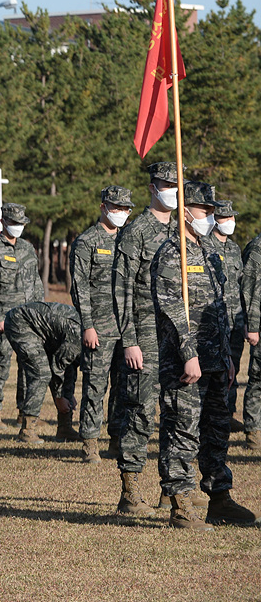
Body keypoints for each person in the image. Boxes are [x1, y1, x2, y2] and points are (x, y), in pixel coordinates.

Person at [152, 181, 256, 529]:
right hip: (187, 362)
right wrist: (188, 354)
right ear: (185, 212)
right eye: (204, 211)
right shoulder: (171, 254)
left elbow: (222, 310)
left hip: (215, 359)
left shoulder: (212, 255)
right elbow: (171, 310)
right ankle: (181, 504)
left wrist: (227, 356)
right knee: (182, 429)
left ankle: (220, 498)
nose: (211, 217)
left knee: (216, 430)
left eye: (213, 211)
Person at [111, 162, 179, 518]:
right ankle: (131, 488)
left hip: (176, 336)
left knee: (176, 412)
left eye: (176, 184)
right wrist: (129, 339)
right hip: (145, 334)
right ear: (153, 187)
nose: (172, 190)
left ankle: (173, 489)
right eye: (167, 184)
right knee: (140, 410)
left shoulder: (183, 231)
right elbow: (121, 289)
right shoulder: (136, 230)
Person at [70, 186, 132, 463]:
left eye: (126, 209)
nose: (121, 213)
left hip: (126, 328)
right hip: (98, 327)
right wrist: (87, 325)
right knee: (95, 386)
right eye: (116, 207)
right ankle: (90, 443)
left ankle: (116, 439)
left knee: (122, 387)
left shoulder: (128, 241)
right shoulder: (86, 242)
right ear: (103, 207)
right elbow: (79, 287)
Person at [0, 203, 44, 432]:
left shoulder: (28, 249)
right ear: (3, 222)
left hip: (28, 318)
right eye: (14, 223)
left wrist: (41, 312)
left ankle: (24, 413)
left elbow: (36, 282)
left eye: (21, 223)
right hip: (5, 318)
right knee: (1, 364)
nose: (18, 227)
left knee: (28, 366)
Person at [4, 302, 83, 445]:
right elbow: (58, 366)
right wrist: (60, 397)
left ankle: (64, 428)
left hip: (45, 330)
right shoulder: (78, 337)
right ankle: (27, 430)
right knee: (41, 373)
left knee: (70, 368)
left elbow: (67, 367)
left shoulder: (84, 341)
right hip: (20, 322)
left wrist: (68, 395)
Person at [211, 200, 245, 431]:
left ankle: (229, 413)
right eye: (225, 218)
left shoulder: (234, 249)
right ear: (214, 219)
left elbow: (241, 285)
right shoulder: (205, 246)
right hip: (214, 321)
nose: (230, 222)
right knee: (216, 369)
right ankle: (214, 414)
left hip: (235, 320)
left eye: (232, 217)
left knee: (235, 369)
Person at [240, 226, 261, 451]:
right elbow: (251, 291)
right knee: (258, 377)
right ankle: (254, 430)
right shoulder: (257, 248)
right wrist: (252, 325)